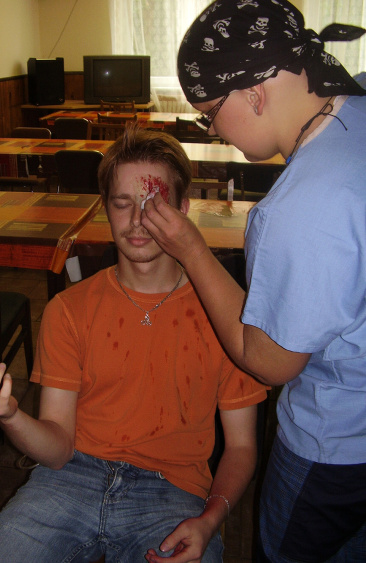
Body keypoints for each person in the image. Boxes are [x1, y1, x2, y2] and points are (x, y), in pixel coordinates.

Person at [0, 124, 267, 563]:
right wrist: (9, 415)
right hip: (69, 479)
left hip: (173, 493)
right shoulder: (68, 309)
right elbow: (58, 449)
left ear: (183, 209)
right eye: (123, 204)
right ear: (106, 208)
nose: (138, 221)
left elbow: (241, 447)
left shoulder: (226, 317)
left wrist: (211, 519)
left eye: (155, 205)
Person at [140, 1, 366, 562]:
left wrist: (192, 250)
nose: (214, 131)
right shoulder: (357, 102)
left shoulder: (300, 210)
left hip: (338, 449)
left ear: (254, 94)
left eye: (209, 115)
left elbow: (268, 361)